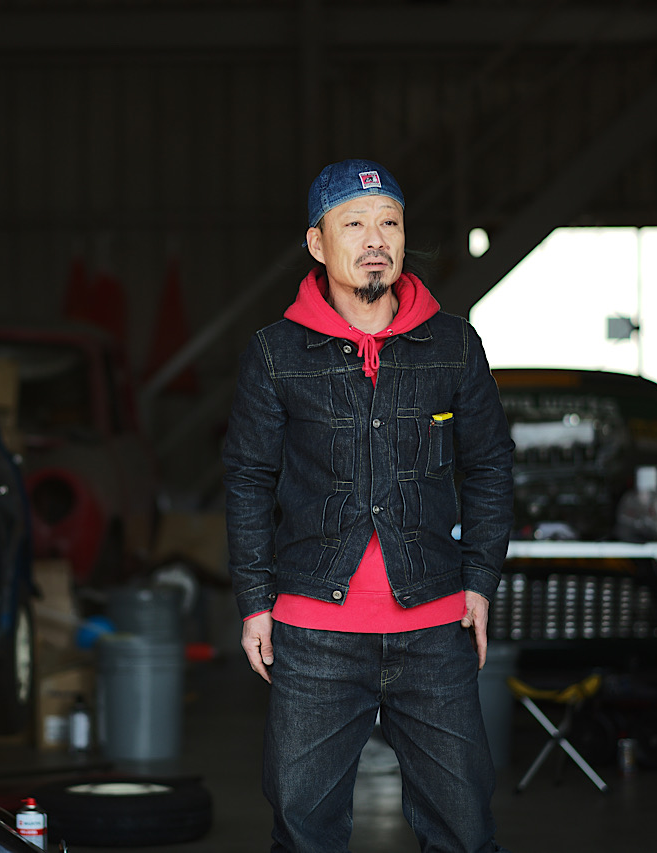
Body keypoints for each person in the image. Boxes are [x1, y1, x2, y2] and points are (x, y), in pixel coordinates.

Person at [222, 158, 515, 853]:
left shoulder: (453, 345)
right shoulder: (275, 353)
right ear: (318, 243)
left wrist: (479, 582)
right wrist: (255, 601)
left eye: (389, 222)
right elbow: (248, 479)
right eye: (353, 223)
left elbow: (489, 466)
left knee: (465, 830)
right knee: (303, 832)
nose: (375, 238)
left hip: (434, 623)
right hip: (313, 632)